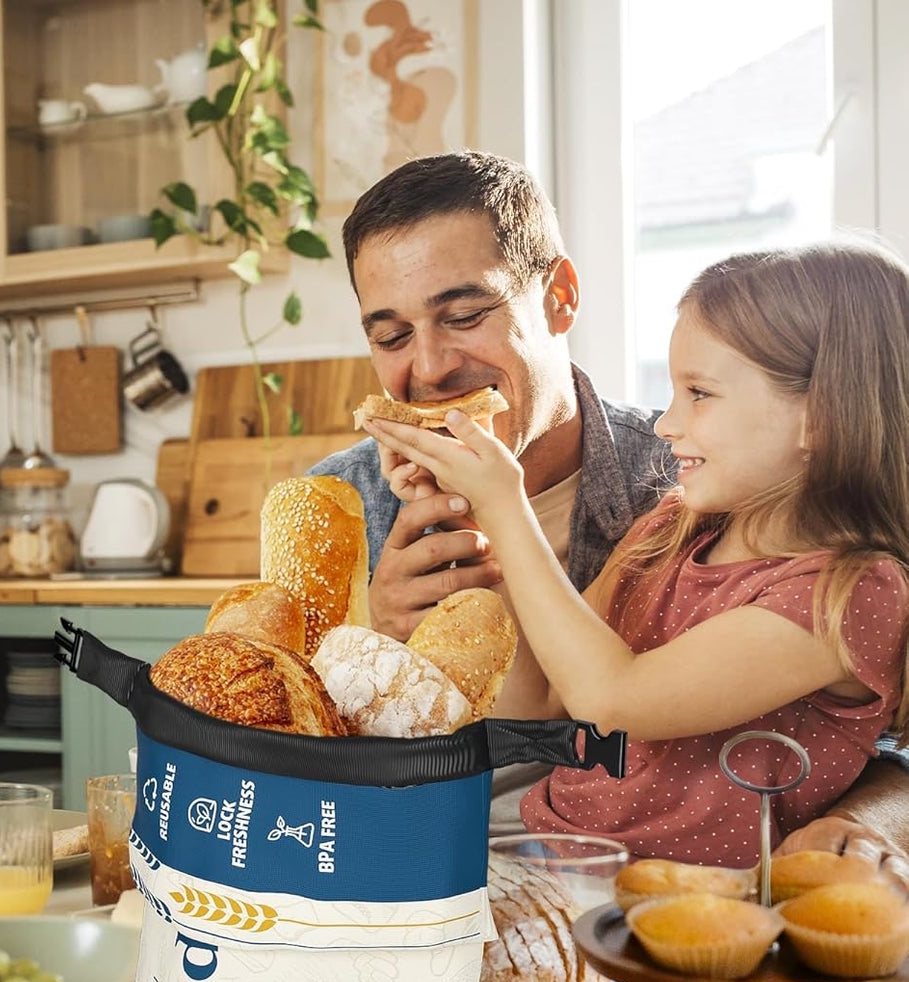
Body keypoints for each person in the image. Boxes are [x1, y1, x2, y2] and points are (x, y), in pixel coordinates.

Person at [315, 150, 909, 877]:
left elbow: (609, 697)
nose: (431, 368)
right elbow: (539, 695)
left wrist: (500, 506)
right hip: (515, 854)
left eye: (464, 315)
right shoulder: (676, 521)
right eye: (390, 336)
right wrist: (386, 624)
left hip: (673, 893)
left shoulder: (718, 511)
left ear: (560, 297)